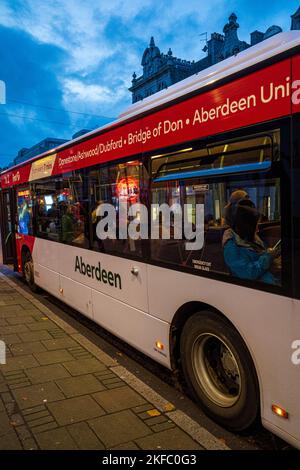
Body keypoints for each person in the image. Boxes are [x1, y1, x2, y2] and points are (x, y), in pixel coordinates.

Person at [222, 199, 280, 285]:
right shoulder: (231, 246)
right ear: (247, 227)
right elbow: (249, 273)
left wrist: (273, 255)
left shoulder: (248, 237)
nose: (257, 229)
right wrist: (268, 257)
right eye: (255, 226)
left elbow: (260, 255)